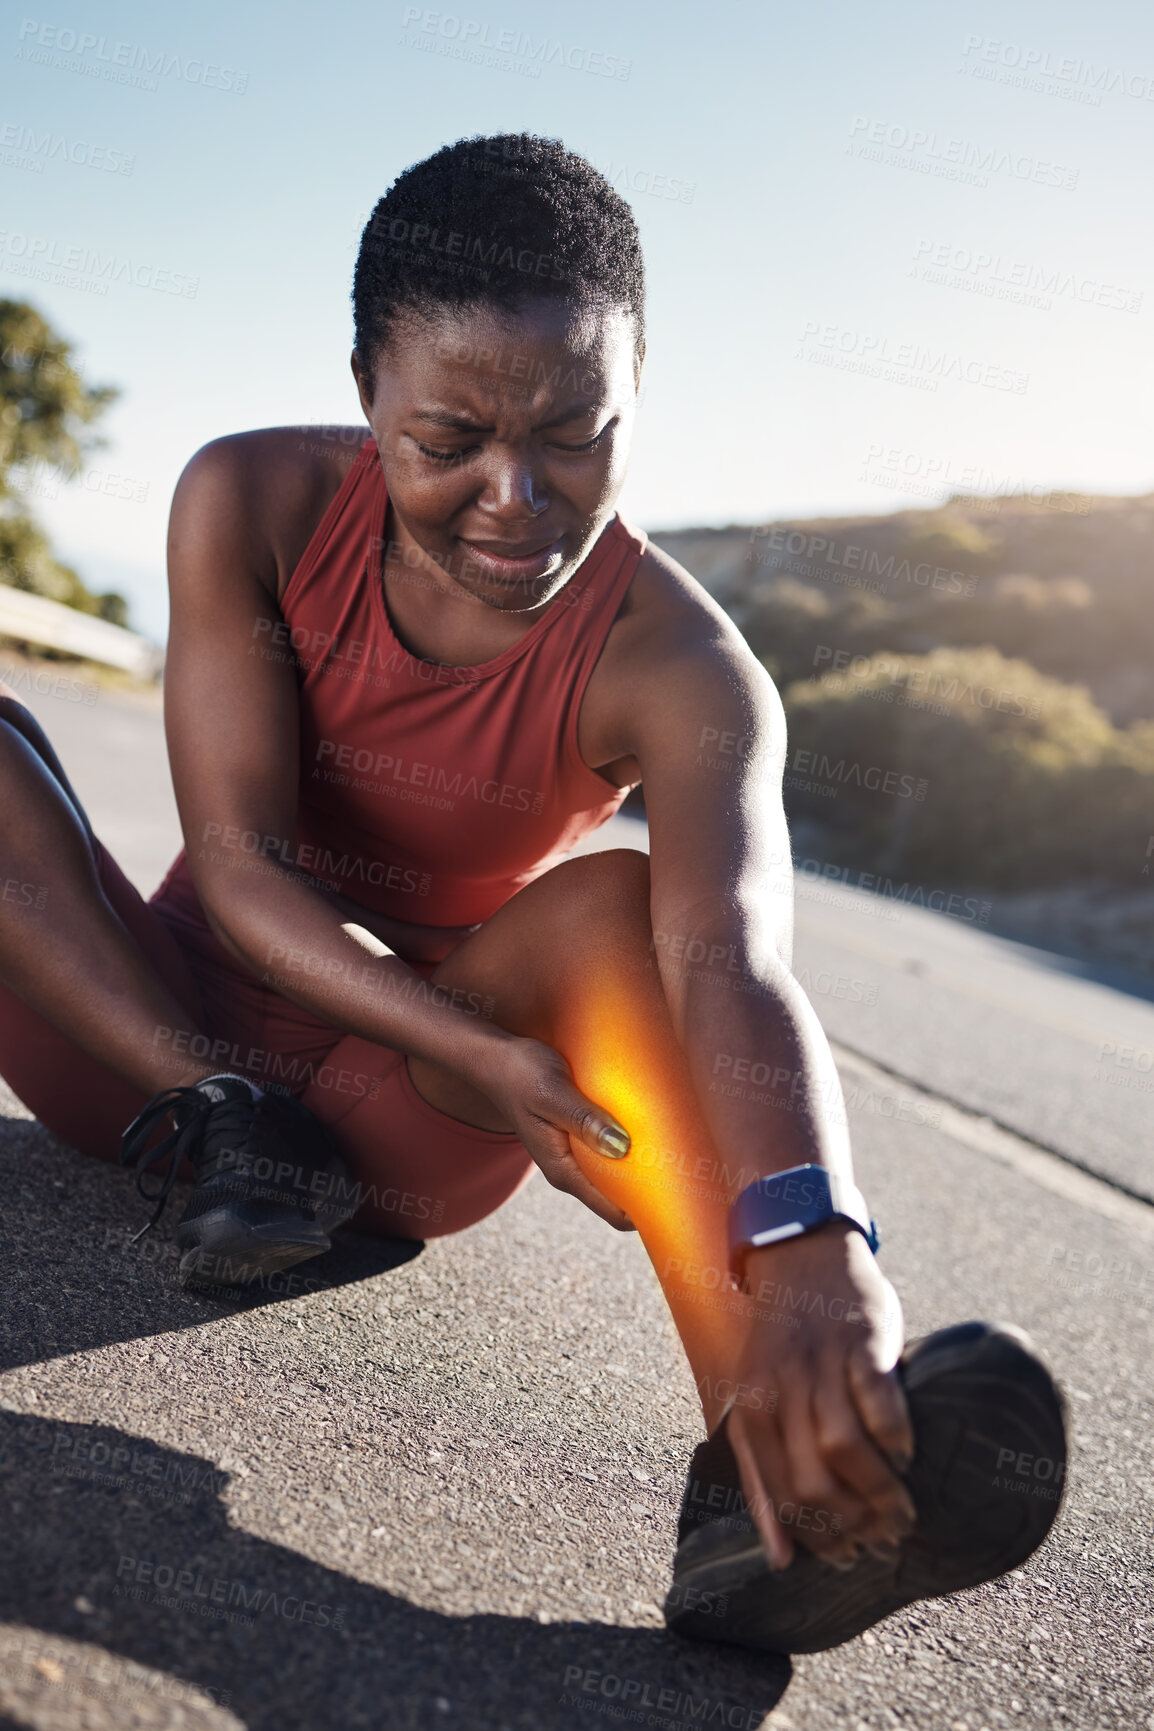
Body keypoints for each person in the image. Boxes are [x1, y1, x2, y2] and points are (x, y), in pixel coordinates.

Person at [0, 134, 1064, 1655]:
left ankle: (770, 1482)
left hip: (401, 1129)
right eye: (449, 441)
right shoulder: (251, 496)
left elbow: (727, 962)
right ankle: (230, 1117)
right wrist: (245, 1088)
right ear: (366, 389)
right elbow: (237, 870)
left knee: (624, 908)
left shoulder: (685, 670)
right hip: (136, 1060)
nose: (517, 498)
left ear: (636, 393)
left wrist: (817, 1246)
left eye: (575, 434)